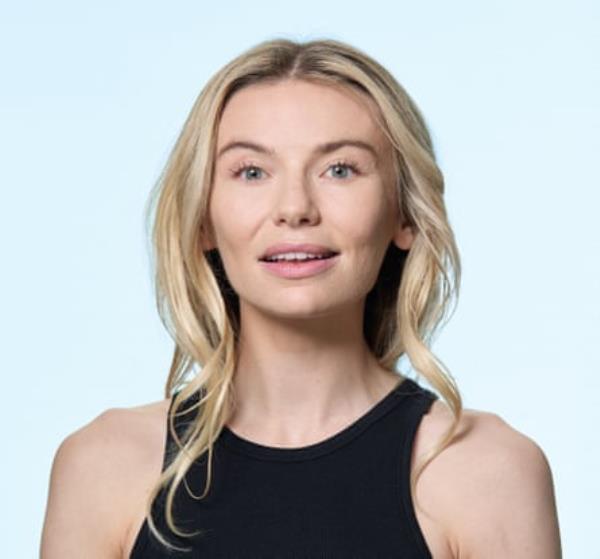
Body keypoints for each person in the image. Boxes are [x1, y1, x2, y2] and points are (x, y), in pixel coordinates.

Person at [40, 37, 562, 558]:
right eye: (251, 172)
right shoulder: (102, 467)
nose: (294, 208)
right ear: (204, 220)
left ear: (404, 214)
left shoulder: (485, 471)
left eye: (340, 169)